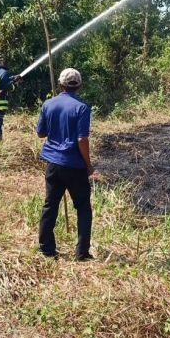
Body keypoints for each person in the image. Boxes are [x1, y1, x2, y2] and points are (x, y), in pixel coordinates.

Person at [36, 68, 94, 261]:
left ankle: (46, 248)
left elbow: (41, 134)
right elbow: (82, 139)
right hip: (75, 165)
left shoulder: (48, 104)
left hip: (53, 163)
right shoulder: (82, 107)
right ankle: (82, 253)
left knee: (50, 205)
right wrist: (88, 164)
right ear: (79, 85)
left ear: (61, 84)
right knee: (83, 208)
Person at [0, 54, 21, 141]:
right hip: (0, 101)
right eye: (2, 61)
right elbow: (7, 87)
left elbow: (1, 81)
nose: (3, 62)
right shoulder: (3, 72)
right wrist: (16, 85)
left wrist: (13, 77)